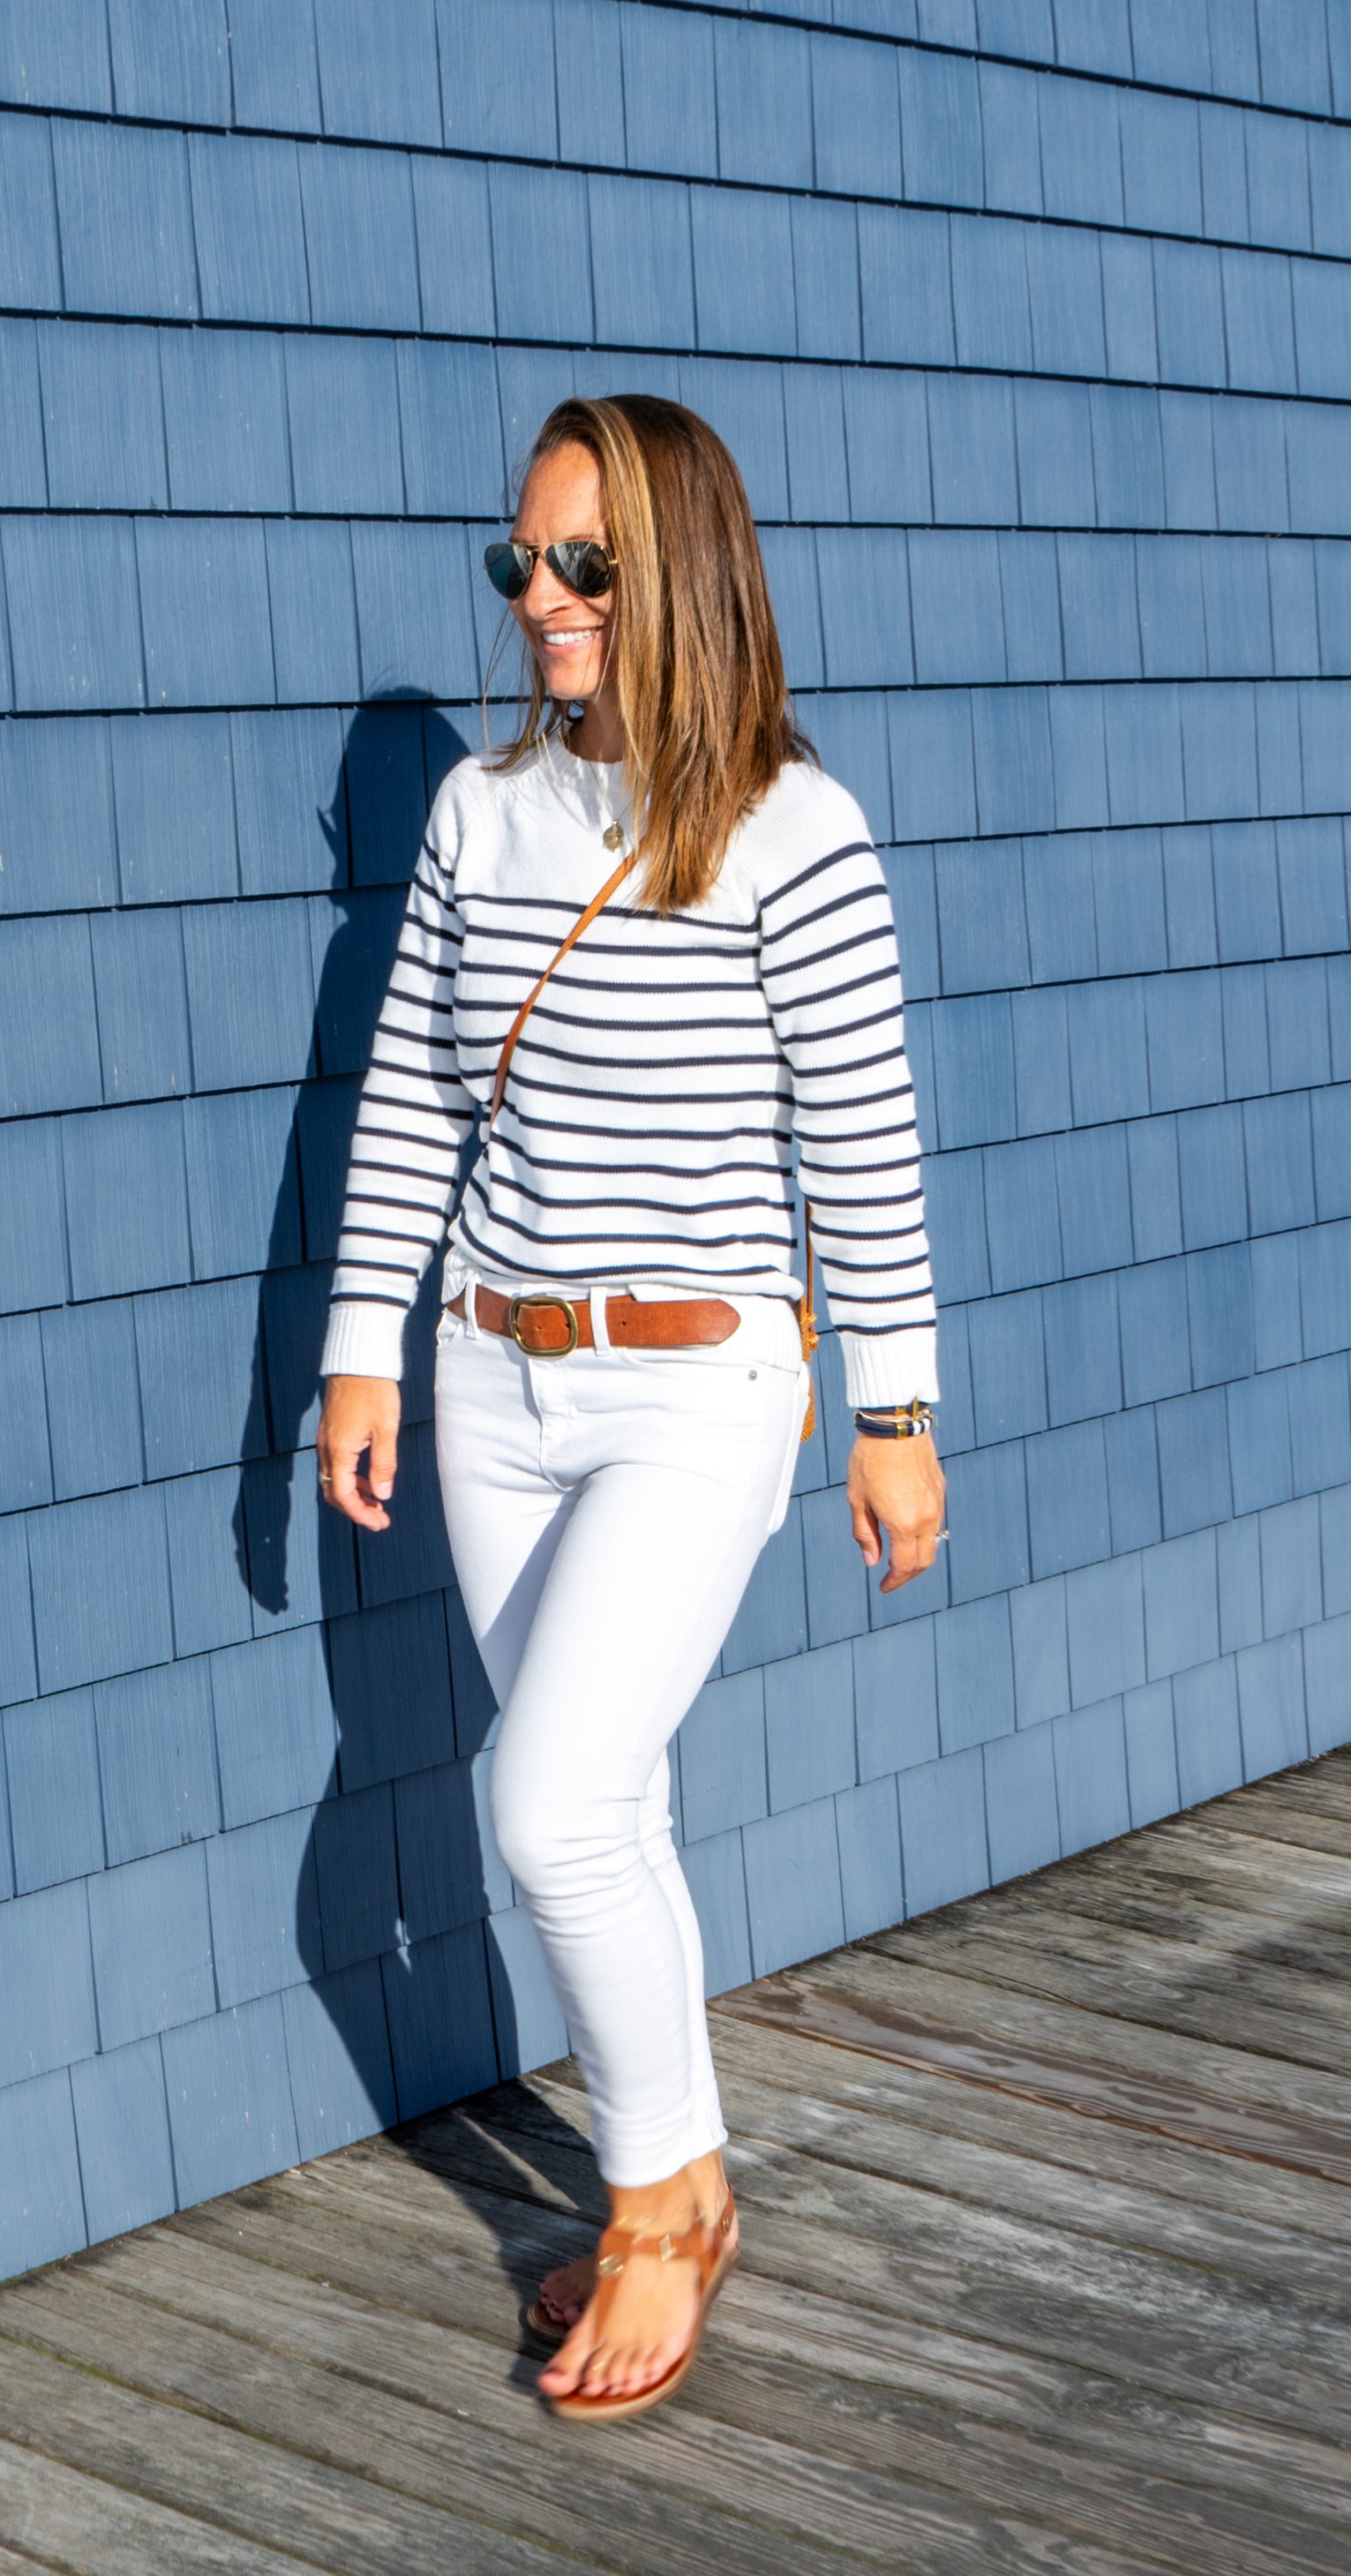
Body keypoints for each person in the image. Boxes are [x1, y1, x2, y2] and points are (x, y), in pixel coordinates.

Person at [316, 395, 944, 2421]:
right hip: (494, 1372)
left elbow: (863, 1139)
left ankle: (661, 2194)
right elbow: (414, 1096)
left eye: (581, 563)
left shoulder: (793, 828)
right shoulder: (478, 816)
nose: (542, 600)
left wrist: (896, 1405)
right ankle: (677, 2167)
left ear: (675, 566)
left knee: (548, 1801)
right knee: (615, 1802)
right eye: (519, 562)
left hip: (700, 1386)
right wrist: (360, 1342)